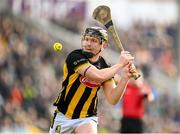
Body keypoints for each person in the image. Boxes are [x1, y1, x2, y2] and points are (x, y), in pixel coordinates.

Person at [49, 26, 136, 134]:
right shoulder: (75, 57)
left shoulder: (105, 67)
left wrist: (125, 78)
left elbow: (113, 99)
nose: (88, 44)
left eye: (94, 41)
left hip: (86, 117)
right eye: (86, 39)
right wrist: (120, 64)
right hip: (63, 116)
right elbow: (97, 75)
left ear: (103, 45)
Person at [118, 68, 154, 133]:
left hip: (137, 120)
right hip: (125, 119)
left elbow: (150, 98)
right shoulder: (126, 86)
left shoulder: (143, 88)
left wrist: (145, 93)